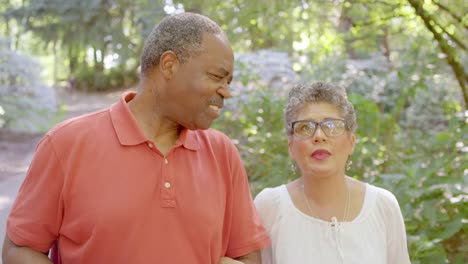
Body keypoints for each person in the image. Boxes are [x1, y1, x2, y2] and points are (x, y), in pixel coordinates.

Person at [2, 12, 270, 264]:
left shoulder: (222, 153)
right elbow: (19, 249)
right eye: (216, 77)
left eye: (229, 82)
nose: (226, 92)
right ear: (169, 65)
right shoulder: (65, 144)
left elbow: (247, 254)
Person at [254, 82, 411, 264]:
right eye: (305, 127)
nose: (319, 136)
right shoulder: (270, 207)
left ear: (351, 142)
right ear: (291, 147)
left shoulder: (383, 206)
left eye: (332, 126)